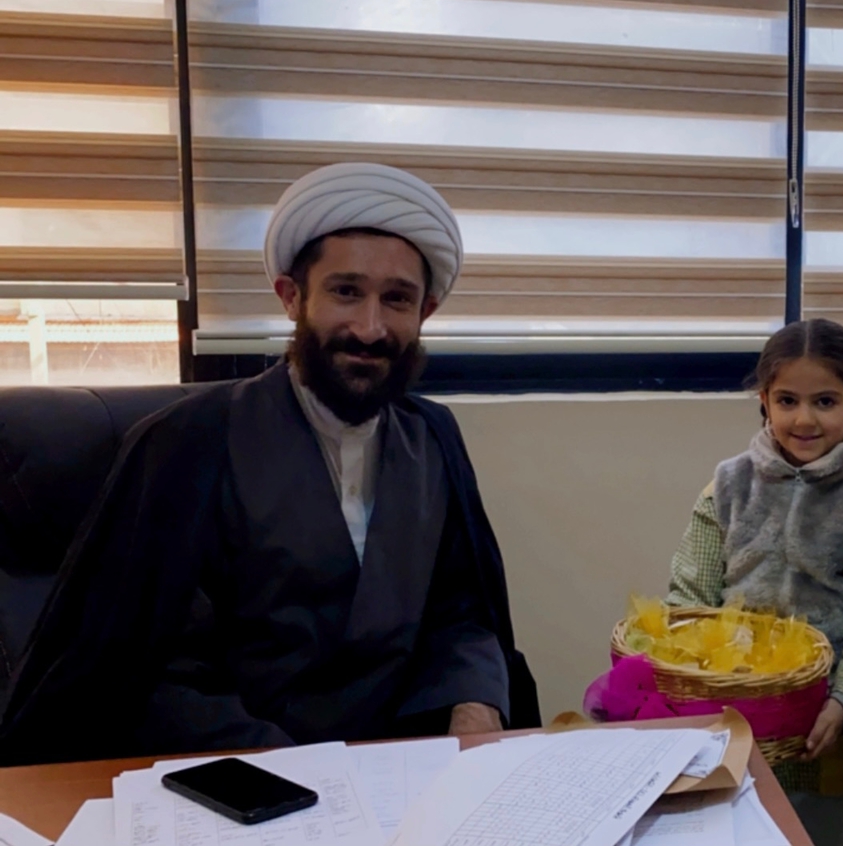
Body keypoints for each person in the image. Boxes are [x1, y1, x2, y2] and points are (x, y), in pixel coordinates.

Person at [0, 163, 538, 766]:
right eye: (345, 291)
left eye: (397, 299)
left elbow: (462, 610)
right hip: (243, 771)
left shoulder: (433, 437)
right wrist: (298, 773)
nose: (370, 328)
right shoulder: (188, 443)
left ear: (425, 312)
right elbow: (154, 671)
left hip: (405, 763)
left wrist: (473, 705)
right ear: (291, 297)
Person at [666, 318, 843, 845]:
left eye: (825, 401)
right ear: (764, 400)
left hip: (826, 731)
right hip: (730, 718)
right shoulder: (727, 486)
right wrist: (701, 690)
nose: (804, 419)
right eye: (787, 401)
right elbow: (687, 601)